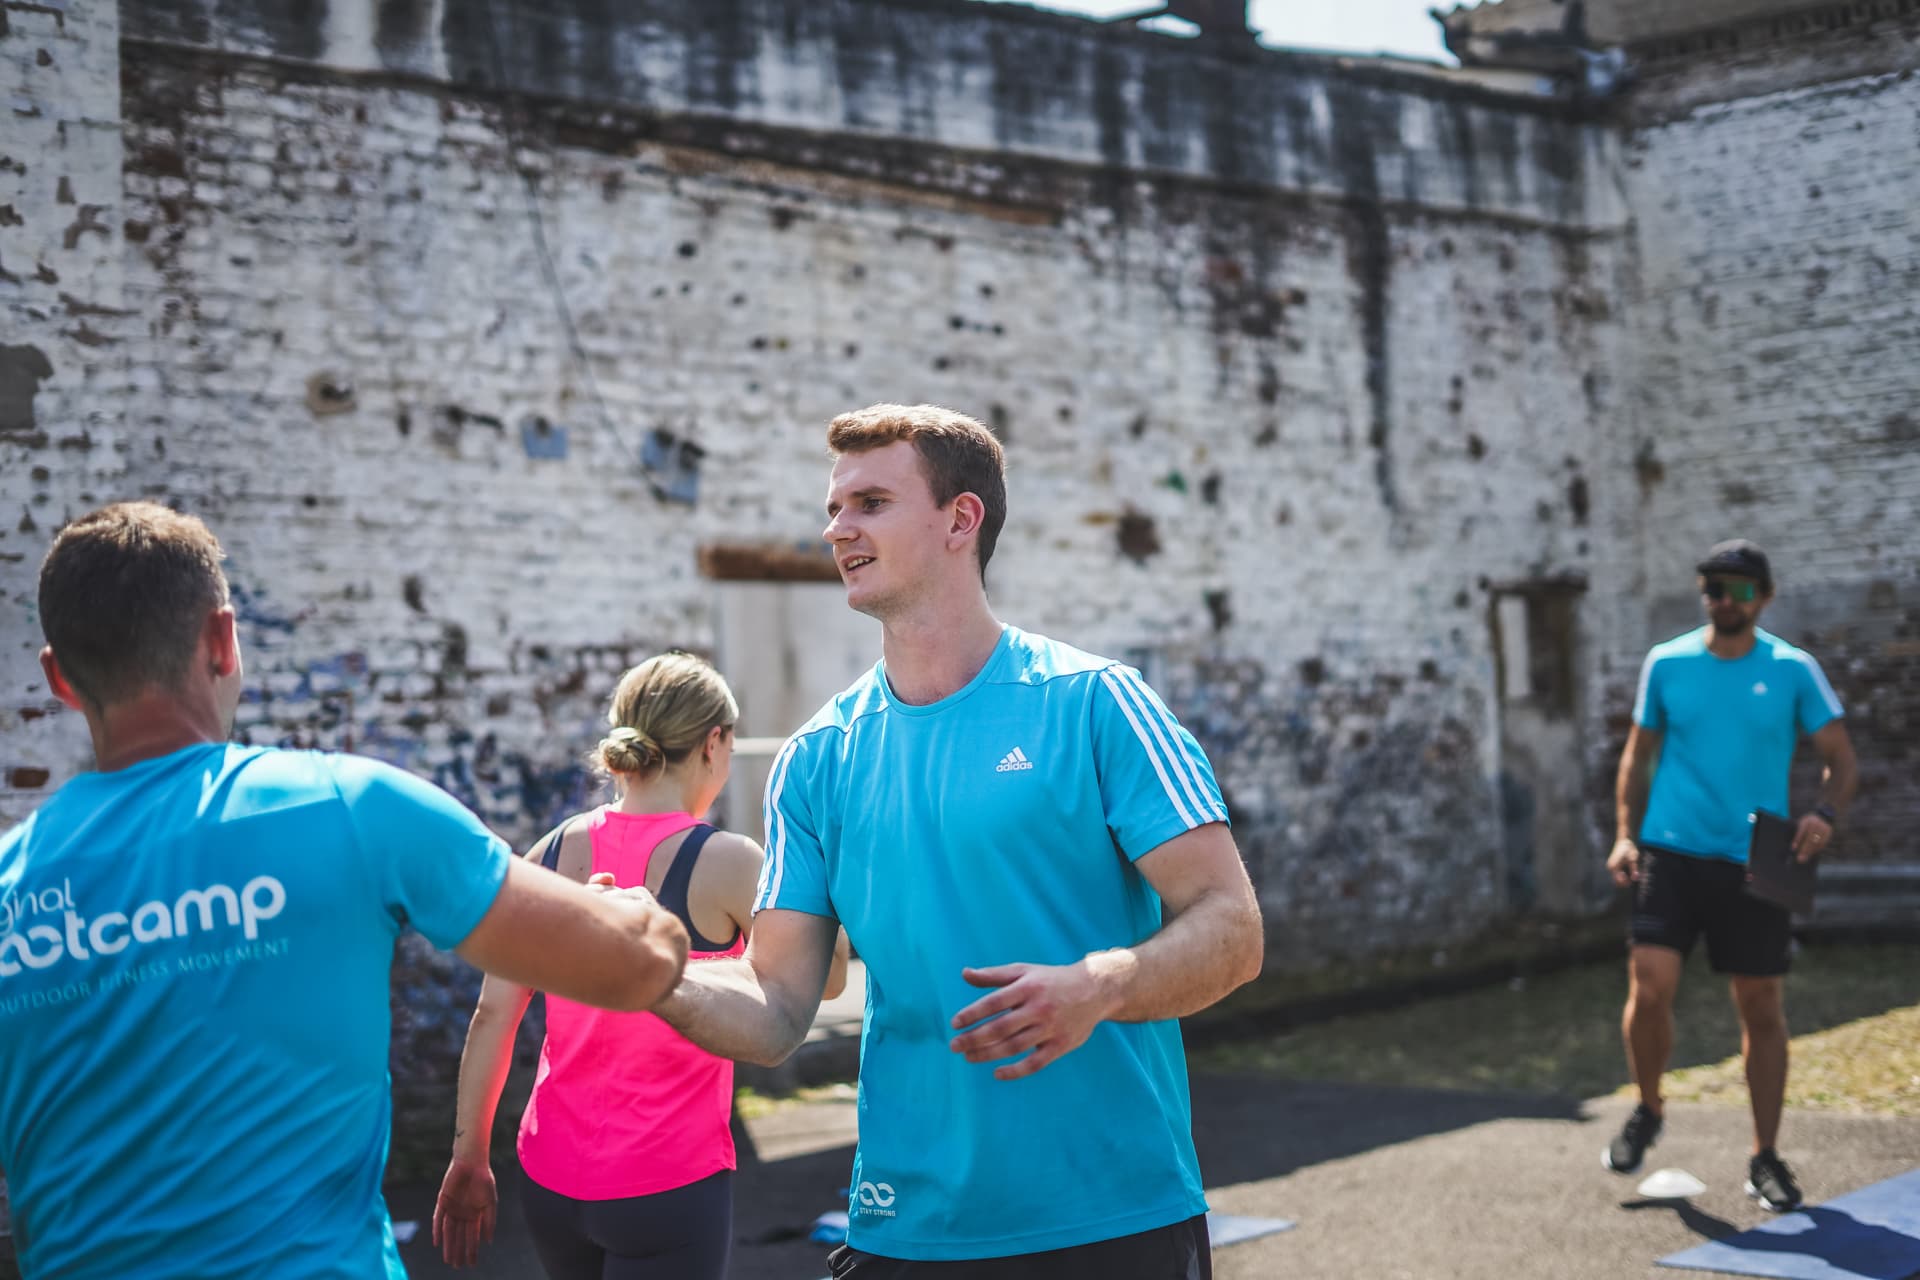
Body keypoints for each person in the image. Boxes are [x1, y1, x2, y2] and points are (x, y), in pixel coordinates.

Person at [0, 503, 689, 1280]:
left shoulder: (9, 886)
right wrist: (632, 911)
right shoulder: (347, 807)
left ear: (59, 678)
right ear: (223, 642)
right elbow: (634, 966)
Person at [652, 404, 1266, 1277]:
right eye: (835, 508)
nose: (838, 529)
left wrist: (1101, 984)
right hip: (905, 1231)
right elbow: (781, 1002)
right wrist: (654, 976)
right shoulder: (817, 759)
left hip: (1112, 1217)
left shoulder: (1095, 703)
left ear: (960, 519)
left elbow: (1232, 929)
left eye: (870, 502)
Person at [432, 653, 849, 1279]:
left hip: (549, 1178)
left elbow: (493, 1014)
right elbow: (826, 980)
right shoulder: (732, 861)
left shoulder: (548, 854)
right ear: (714, 743)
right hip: (668, 1187)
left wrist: (469, 1159)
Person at [1604, 539, 1858, 1211]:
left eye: (1740, 589)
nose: (1724, 599)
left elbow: (1841, 759)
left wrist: (1826, 813)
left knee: (1761, 1006)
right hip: (1672, 850)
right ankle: (1649, 1107)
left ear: (1765, 598)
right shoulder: (1667, 664)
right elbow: (1637, 758)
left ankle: (1764, 1156)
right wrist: (1626, 835)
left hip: (1758, 856)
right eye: (1713, 587)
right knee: (1650, 984)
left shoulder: (1793, 670)